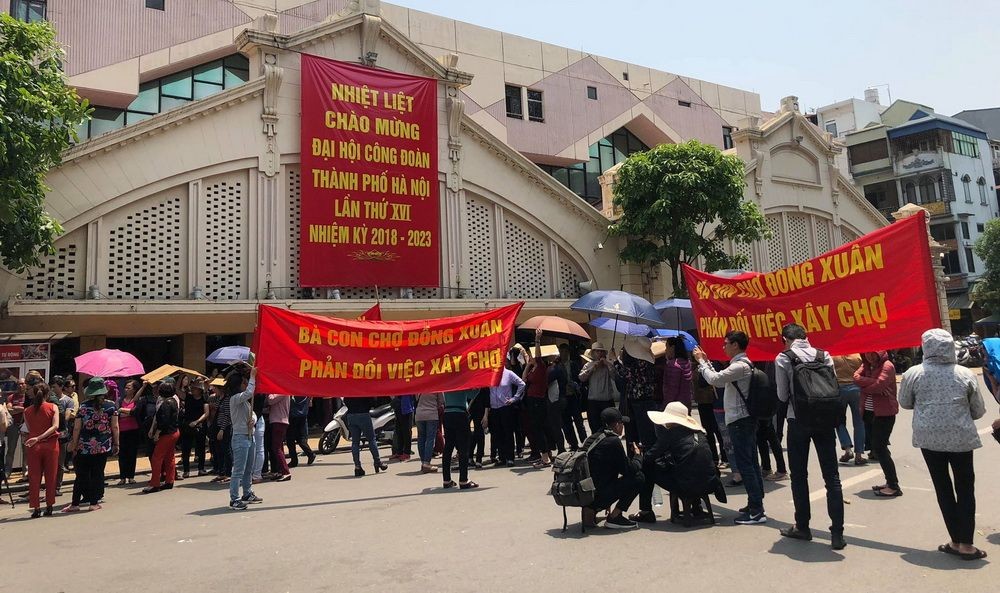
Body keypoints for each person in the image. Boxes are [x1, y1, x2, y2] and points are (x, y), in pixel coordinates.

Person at [898, 329, 987, 561]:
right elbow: (978, 410)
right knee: (965, 488)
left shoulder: (913, 374)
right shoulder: (965, 373)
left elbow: (905, 403)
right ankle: (966, 544)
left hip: (929, 439)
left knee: (943, 488)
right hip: (961, 438)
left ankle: (956, 540)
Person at [773, 323, 845, 550]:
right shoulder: (825, 355)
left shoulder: (784, 358)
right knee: (832, 477)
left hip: (799, 421)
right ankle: (837, 534)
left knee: (799, 475)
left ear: (785, 339)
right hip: (825, 420)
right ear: (806, 337)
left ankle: (802, 526)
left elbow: (782, 395)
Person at [694, 332, 766, 526]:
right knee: (750, 462)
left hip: (740, 420)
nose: (723, 347)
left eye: (726, 343)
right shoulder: (743, 364)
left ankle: (756, 510)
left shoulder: (740, 366)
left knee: (746, 465)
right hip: (743, 420)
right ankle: (755, 503)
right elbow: (718, 377)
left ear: (735, 345)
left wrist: (701, 362)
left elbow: (715, 380)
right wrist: (707, 362)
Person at [630, 401, 724, 524]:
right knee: (689, 466)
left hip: (687, 484)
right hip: (710, 481)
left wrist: (638, 453)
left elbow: (649, 457)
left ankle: (645, 511)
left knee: (647, 467)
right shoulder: (699, 433)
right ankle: (696, 507)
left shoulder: (671, 434)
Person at [63, 377, 119, 513]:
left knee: (81, 475)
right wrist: (117, 443)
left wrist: (74, 444)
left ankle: (74, 504)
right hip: (103, 445)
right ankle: (94, 503)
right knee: (97, 474)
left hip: (84, 445)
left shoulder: (83, 407)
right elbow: (115, 427)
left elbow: (77, 428)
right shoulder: (111, 406)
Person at [582, 407, 642, 529]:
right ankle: (615, 517)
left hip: (585, 492)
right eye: (622, 423)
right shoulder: (613, 441)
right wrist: (637, 456)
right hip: (598, 493)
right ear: (616, 425)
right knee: (639, 477)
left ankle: (590, 509)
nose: (623, 427)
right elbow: (628, 470)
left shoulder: (591, 439)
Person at [855, 351, 900, 497]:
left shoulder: (887, 366)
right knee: (877, 449)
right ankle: (890, 482)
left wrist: (864, 385)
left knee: (880, 449)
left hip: (884, 413)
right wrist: (870, 383)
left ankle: (893, 486)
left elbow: (880, 385)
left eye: (873, 353)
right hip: (868, 413)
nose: (869, 356)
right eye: (866, 354)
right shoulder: (866, 366)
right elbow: (855, 378)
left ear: (879, 353)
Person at [227, 364, 263, 510]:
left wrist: (252, 420)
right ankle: (234, 499)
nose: (246, 384)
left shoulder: (244, 401)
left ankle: (247, 493)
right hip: (240, 438)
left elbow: (252, 413)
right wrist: (253, 376)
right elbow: (249, 393)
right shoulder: (235, 399)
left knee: (249, 468)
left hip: (249, 436)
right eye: (244, 382)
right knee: (238, 471)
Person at [614, 336, 658, 453]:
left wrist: (615, 361)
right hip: (645, 402)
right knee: (647, 434)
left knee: (642, 435)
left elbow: (626, 374)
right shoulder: (648, 362)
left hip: (640, 403)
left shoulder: (640, 364)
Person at [23, 383, 60, 518]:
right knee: (51, 476)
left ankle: (36, 507)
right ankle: (49, 505)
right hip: (50, 445)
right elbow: (55, 426)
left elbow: (28, 428)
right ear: (47, 394)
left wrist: (36, 438)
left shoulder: (27, 411)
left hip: (33, 446)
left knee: (34, 477)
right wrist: (41, 437)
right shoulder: (53, 407)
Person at [486, 356, 526, 467]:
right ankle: (502, 457)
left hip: (505, 407)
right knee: (497, 433)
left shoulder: (508, 373)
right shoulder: (490, 374)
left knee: (508, 433)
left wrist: (515, 398)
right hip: (494, 408)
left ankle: (510, 458)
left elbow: (522, 384)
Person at [522, 331, 554, 468]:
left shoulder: (541, 366)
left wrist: (537, 339)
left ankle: (545, 458)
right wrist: (528, 365)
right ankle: (547, 455)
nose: (530, 356)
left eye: (531, 355)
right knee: (537, 428)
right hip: (532, 401)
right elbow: (523, 379)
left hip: (538, 401)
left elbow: (539, 355)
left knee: (539, 429)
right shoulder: (533, 368)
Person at [143, 382, 180, 494]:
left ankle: (155, 483)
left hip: (166, 433)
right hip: (174, 431)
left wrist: (157, 433)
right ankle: (169, 480)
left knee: (156, 458)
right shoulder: (174, 401)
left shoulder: (165, 404)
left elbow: (163, 421)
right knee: (170, 456)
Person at [441, 388, 479, 489]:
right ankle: (463, 480)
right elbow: (471, 395)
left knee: (448, 448)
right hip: (460, 414)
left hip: (448, 413)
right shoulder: (461, 380)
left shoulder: (446, 381)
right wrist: (479, 387)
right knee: (464, 448)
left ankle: (446, 480)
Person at [833, 354, 866, 465]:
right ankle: (859, 455)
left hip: (839, 389)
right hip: (856, 388)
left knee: (839, 421)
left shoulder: (833, 356)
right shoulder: (857, 356)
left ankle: (847, 449)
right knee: (859, 422)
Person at [343, 396, 387, 477]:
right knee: (371, 439)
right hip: (363, 414)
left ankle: (357, 467)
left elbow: (345, 401)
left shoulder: (348, 386)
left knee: (355, 442)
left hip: (351, 415)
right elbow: (373, 401)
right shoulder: (363, 386)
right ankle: (377, 462)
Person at [578, 342, 617, 434]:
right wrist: (593, 368)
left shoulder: (608, 365)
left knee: (609, 428)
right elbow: (581, 378)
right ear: (593, 353)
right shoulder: (588, 365)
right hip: (593, 401)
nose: (599, 353)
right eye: (597, 351)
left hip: (607, 400)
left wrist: (607, 364)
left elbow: (615, 377)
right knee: (595, 427)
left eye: (601, 351)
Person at [558, 343, 587, 448]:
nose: (563, 354)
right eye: (561, 352)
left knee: (579, 421)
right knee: (566, 423)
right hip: (563, 396)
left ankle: (584, 442)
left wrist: (576, 384)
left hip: (573, 396)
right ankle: (573, 444)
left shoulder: (573, 364)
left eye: (565, 352)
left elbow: (579, 378)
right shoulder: (557, 365)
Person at [180, 379, 209, 478]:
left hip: (200, 425)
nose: (193, 389)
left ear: (200, 390)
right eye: (192, 387)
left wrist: (197, 421)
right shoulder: (188, 397)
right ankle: (186, 470)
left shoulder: (204, 398)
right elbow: (177, 390)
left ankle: (201, 468)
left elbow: (206, 413)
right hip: (188, 425)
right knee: (186, 448)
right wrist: (181, 376)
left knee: (201, 448)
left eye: (195, 388)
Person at [116, 379, 142, 485]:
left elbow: (135, 413)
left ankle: (131, 476)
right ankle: (122, 477)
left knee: (132, 454)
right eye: (125, 387)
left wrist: (124, 411)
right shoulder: (120, 400)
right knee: (122, 454)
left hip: (133, 429)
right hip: (122, 430)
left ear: (134, 389)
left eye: (129, 387)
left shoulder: (137, 400)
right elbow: (117, 413)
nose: (126, 389)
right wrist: (124, 411)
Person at [414, 392, 444, 473]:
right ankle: (426, 463)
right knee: (430, 439)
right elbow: (441, 400)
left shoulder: (420, 385)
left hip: (419, 414)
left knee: (421, 438)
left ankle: (423, 462)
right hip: (432, 414)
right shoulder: (436, 386)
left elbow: (416, 398)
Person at [661, 337, 693, 410]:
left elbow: (671, 389)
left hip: (674, 406)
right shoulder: (687, 362)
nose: (666, 350)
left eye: (667, 347)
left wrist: (665, 406)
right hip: (686, 402)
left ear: (672, 348)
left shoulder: (672, 365)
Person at [266, 393, 292, 481]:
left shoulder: (282, 392)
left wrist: (268, 391)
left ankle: (286, 471)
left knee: (276, 448)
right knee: (279, 447)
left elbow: (271, 400)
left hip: (279, 421)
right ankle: (281, 470)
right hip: (278, 420)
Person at [4, 378, 27, 478]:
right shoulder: (11, 397)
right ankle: (7, 471)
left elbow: (29, 410)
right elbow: (9, 410)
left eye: (22, 384)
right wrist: (23, 409)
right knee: (11, 449)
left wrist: (18, 408)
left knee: (26, 449)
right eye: (18, 384)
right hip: (13, 425)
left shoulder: (28, 397)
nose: (20, 386)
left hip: (25, 425)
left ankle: (25, 471)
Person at [287, 395, 316, 467]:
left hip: (293, 415)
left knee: (290, 439)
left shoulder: (295, 391)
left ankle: (294, 460)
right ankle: (310, 454)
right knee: (301, 438)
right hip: (302, 414)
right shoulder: (305, 391)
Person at [389, 394, 415, 462]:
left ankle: (407, 453)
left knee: (406, 432)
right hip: (398, 408)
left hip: (406, 409)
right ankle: (399, 452)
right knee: (399, 431)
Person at [467, 388, 488, 468]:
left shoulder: (483, 385)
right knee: (470, 435)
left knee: (479, 434)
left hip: (480, 410)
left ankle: (479, 459)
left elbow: (487, 400)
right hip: (469, 409)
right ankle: (469, 457)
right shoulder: (469, 382)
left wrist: (485, 415)